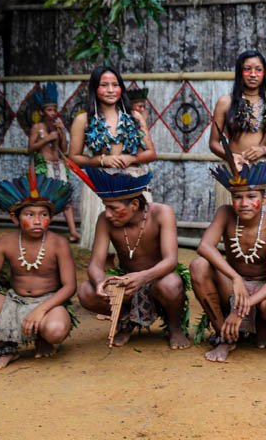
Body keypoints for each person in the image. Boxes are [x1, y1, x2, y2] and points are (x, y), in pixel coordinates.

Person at [0, 167, 76, 371]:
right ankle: (6, 347)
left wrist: (40, 310)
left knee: (55, 330)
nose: (37, 221)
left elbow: (69, 286)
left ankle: (43, 339)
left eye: (43, 214)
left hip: (49, 304)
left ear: (51, 217)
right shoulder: (5, 243)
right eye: (29, 214)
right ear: (15, 218)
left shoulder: (58, 243)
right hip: (14, 302)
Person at [72, 166, 191, 349]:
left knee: (171, 284)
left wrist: (142, 277)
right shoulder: (105, 220)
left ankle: (174, 327)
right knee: (86, 292)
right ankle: (126, 321)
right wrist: (100, 284)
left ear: (134, 205)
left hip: (158, 279)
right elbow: (95, 265)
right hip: (125, 282)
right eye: (106, 207)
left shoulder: (162, 213)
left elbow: (170, 260)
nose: (108, 214)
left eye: (113, 208)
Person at [191, 157, 266, 361]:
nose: (244, 203)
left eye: (251, 196)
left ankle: (261, 326)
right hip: (231, 284)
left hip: (262, 287)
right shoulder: (225, 214)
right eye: (237, 197)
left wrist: (241, 310)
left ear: (264, 199)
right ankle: (225, 334)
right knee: (198, 266)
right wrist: (235, 278)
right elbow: (204, 246)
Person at [68, 66, 157, 250]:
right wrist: (101, 160)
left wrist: (131, 158)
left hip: (133, 181)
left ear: (121, 88)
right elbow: (73, 158)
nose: (110, 90)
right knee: (105, 247)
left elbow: (151, 153)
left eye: (115, 85)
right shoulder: (83, 120)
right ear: (95, 88)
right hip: (102, 183)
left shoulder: (134, 117)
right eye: (104, 85)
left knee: (137, 243)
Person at [209, 51, 266, 219]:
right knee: (233, 227)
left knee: (264, 229)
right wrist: (233, 157)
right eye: (247, 69)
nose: (253, 74)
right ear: (239, 72)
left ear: (264, 73)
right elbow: (214, 143)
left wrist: (265, 150)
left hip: (264, 171)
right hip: (234, 169)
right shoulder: (225, 102)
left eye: (258, 70)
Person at [26, 82, 78, 241]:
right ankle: (41, 230)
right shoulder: (37, 127)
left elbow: (64, 149)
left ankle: (73, 232)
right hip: (44, 168)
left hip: (59, 167)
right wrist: (47, 139)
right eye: (49, 110)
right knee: (45, 201)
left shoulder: (57, 126)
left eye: (55, 110)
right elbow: (29, 149)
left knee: (66, 201)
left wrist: (62, 132)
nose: (53, 113)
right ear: (42, 112)